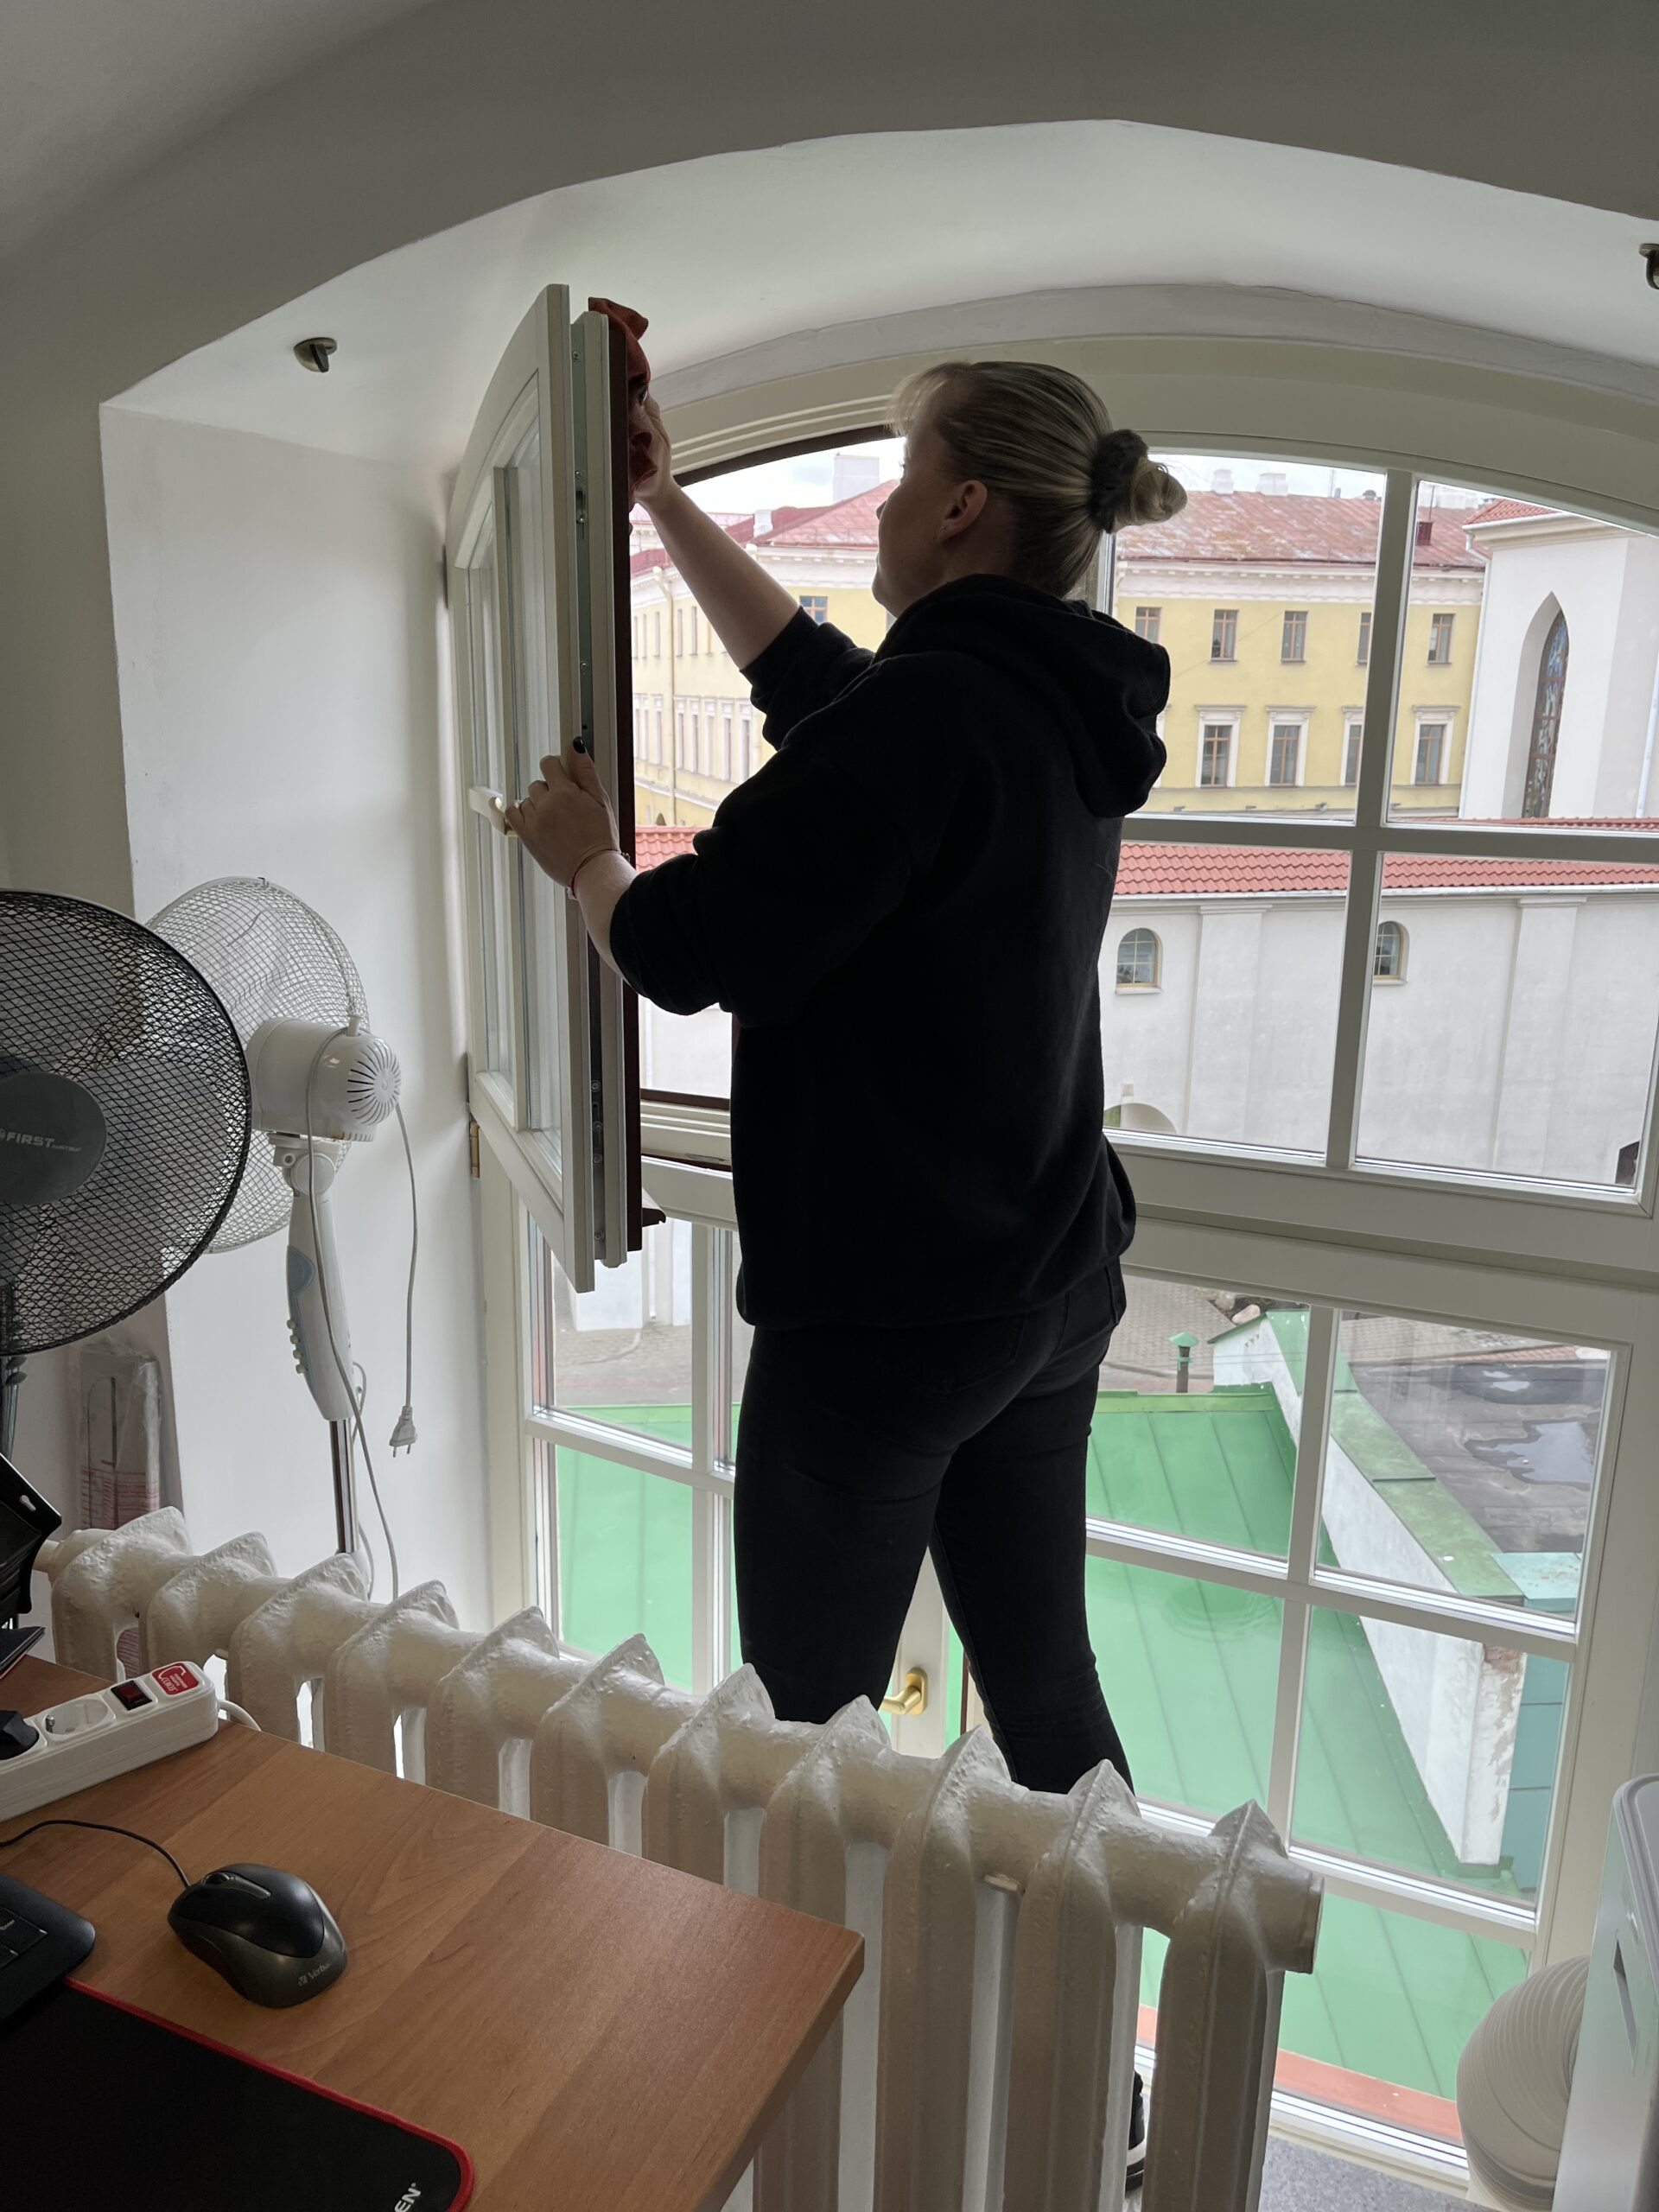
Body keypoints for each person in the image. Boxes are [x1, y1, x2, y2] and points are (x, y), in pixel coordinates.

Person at [509, 356, 1180, 1801]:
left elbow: (685, 946)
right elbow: (817, 684)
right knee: (1045, 1683)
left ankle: (813, 1950)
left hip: (892, 1327)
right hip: (1051, 1285)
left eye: (903, 469)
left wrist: (587, 860)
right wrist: (662, 504)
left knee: (807, 1726)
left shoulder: (931, 713)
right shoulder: (1048, 698)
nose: (882, 503)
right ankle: (1117, 1951)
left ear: (962, 504)